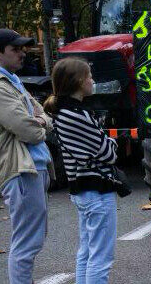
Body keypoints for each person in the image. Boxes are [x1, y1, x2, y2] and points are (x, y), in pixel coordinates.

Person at [0, 29, 53, 284]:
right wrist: (40, 122)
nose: (22, 53)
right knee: (27, 241)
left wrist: (40, 120)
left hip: (32, 166)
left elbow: (42, 113)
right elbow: (29, 130)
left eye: (22, 48)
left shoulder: (10, 81)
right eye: (15, 49)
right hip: (19, 169)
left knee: (33, 237)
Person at [43, 57, 117, 284]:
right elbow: (109, 152)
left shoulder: (63, 112)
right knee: (100, 257)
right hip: (96, 190)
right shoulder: (78, 115)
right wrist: (110, 141)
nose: (93, 81)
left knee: (86, 251)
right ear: (78, 81)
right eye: (90, 77)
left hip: (82, 190)